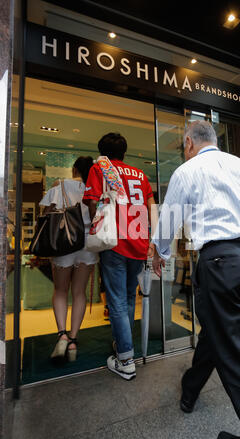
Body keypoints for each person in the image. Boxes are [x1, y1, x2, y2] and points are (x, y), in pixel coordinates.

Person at [152, 120, 240, 439]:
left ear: (188, 143)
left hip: (220, 265)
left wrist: (159, 251)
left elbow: (170, 216)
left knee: (234, 356)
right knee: (219, 332)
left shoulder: (188, 170)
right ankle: (190, 389)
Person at [83, 133, 156, 380]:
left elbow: (92, 203)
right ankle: (122, 343)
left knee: (115, 302)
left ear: (102, 152)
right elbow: (150, 207)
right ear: (124, 152)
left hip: (114, 242)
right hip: (138, 242)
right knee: (125, 299)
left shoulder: (100, 168)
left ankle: (126, 360)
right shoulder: (141, 175)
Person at [40, 156, 98, 363]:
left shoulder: (60, 185)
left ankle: (62, 334)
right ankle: (73, 339)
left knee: (61, 290)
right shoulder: (95, 189)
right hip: (88, 244)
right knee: (79, 292)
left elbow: (45, 214)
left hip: (63, 243)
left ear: (74, 169)